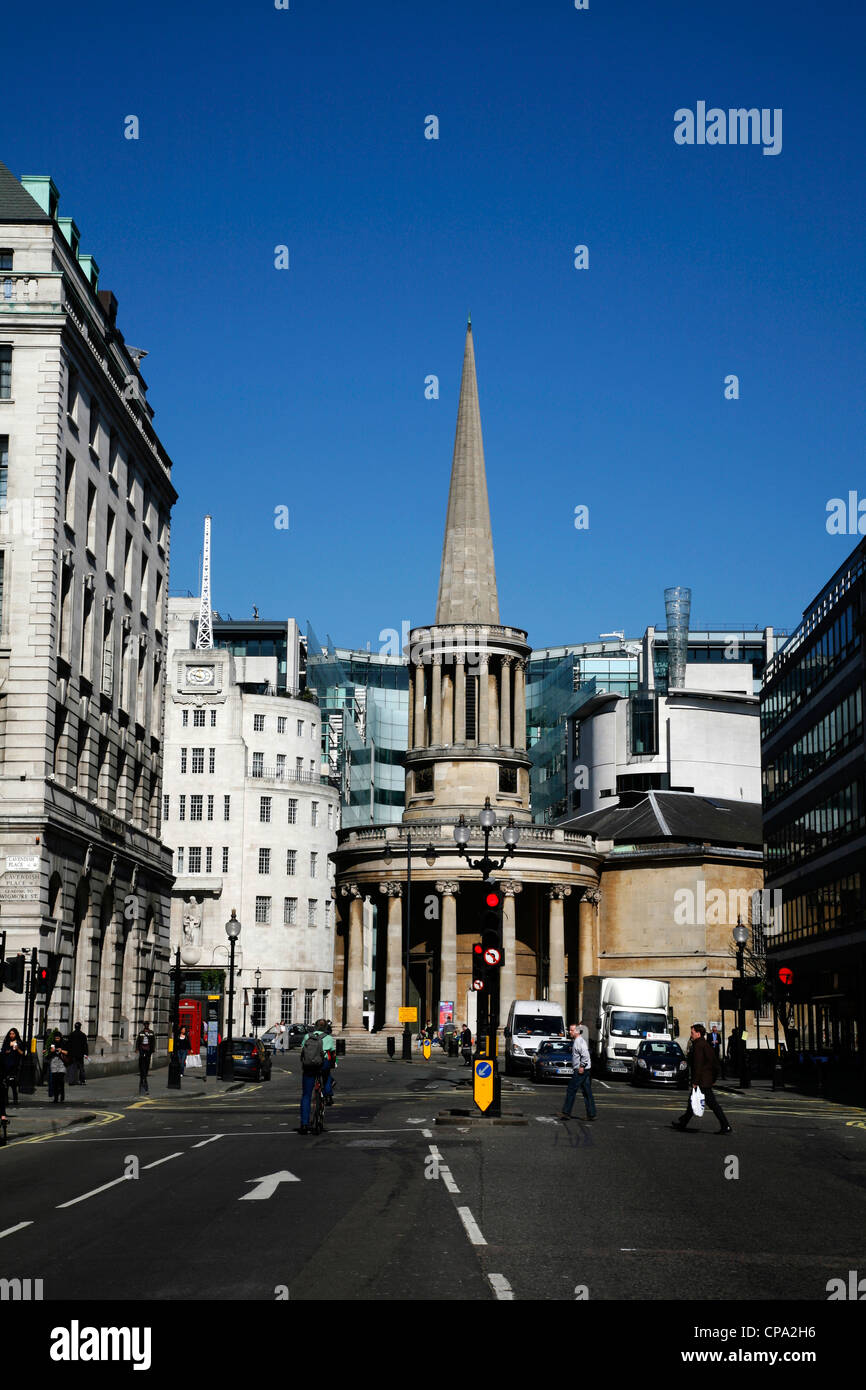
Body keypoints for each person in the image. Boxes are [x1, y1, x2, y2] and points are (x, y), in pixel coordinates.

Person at [671, 1023, 732, 1134]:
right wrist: (713, 1079)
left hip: (702, 1081)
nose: (691, 1034)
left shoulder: (699, 1045)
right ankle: (683, 1122)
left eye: (692, 1032)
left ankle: (726, 1125)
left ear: (698, 1034)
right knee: (692, 1102)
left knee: (712, 1104)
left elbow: (698, 1065)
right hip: (706, 1080)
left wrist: (695, 1081)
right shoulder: (705, 1044)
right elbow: (715, 1064)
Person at [297, 1018, 336, 1135]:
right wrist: (332, 1064)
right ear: (325, 1028)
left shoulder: (307, 1036)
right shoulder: (328, 1038)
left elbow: (302, 1052)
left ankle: (304, 1124)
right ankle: (328, 1094)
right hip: (322, 1064)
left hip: (309, 1066)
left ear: (315, 1027)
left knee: (306, 1095)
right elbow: (332, 1054)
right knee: (327, 1073)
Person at [558, 1022, 597, 1122]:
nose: (569, 1032)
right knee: (587, 1092)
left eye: (571, 1030)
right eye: (570, 1030)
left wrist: (581, 1066)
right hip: (585, 1069)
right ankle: (591, 1114)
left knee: (571, 1090)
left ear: (577, 1031)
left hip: (581, 1070)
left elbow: (585, 1055)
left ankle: (566, 1113)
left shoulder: (579, 1041)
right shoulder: (579, 1040)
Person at [1, 1029, 24, 1105]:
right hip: (6, 1066)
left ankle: (15, 1100)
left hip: (15, 1066)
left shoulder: (19, 1042)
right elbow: (2, 1052)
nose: (11, 1035)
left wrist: (17, 1048)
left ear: (16, 1034)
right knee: (6, 1084)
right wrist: (6, 1051)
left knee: (13, 1084)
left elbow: (22, 1053)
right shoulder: (7, 1042)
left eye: (13, 1034)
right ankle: (6, 1100)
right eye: (10, 1034)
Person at [135, 1022, 156, 1093]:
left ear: (148, 1026)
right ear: (144, 1026)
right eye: (145, 1025)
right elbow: (138, 1041)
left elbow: (153, 1041)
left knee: (147, 1061)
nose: (146, 1026)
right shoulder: (141, 1033)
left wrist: (153, 1049)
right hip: (142, 1048)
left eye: (147, 1025)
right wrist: (137, 1049)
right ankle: (142, 1070)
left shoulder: (151, 1033)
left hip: (148, 1049)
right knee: (141, 1060)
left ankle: (145, 1070)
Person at [48, 1035, 69, 1104]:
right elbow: (48, 1055)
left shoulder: (64, 1044)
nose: (57, 1039)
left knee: (60, 1081)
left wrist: (61, 1050)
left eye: (58, 1038)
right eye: (56, 1038)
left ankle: (62, 1096)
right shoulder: (52, 1044)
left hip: (61, 1064)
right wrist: (51, 1051)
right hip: (54, 1064)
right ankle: (56, 1098)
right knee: (55, 1082)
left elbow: (67, 1052)